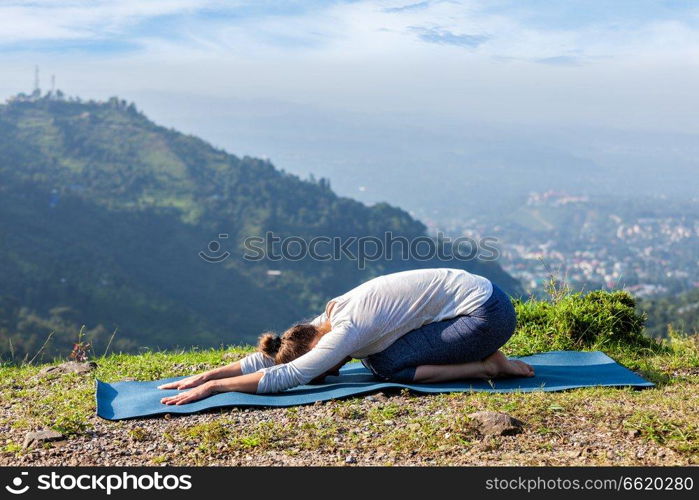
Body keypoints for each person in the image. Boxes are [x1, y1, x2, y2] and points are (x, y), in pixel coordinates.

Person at [159, 268, 534, 405]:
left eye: (323, 369)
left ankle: (489, 364)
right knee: (379, 357)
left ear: (320, 349)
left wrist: (216, 390)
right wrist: (209, 374)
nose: (328, 373)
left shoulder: (344, 332)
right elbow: (275, 360)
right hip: (477, 295)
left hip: (486, 315)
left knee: (388, 366)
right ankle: (486, 360)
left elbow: (287, 376)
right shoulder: (327, 317)